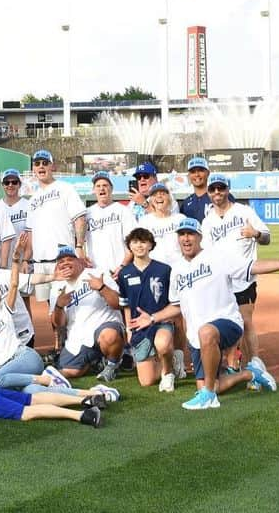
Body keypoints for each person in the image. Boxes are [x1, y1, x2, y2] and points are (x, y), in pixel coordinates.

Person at [128, 218, 279, 410]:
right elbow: (176, 305)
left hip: (227, 321)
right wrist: (153, 317)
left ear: (200, 237)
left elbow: (252, 267)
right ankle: (249, 374)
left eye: (190, 234)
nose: (186, 239)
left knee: (207, 332)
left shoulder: (218, 257)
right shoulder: (177, 270)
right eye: (182, 234)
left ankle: (208, 397)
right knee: (211, 383)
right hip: (197, 336)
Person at [200, 174, 271, 371]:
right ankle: (232, 363)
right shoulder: (208, 221)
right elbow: (205, 252)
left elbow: (267, 237)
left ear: (227, 190)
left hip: (244, 279)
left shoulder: (244, 212)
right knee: (227, 321)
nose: (217, 192)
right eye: (213, 189)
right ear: (208, 192)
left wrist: (255, 234)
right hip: (221, 281)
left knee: (246, 322)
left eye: (221, 188)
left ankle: (255, 366)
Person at [24, 149, 87, 347]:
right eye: (37, 163)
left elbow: (80, 218)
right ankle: (58, 345)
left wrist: (79, 246)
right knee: (51, 307)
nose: (41, 167)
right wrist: (27, 259)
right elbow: (31, 232)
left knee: (66, 302)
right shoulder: (33, 199)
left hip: (62, 258)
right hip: (41, 262)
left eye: (45, 163)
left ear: (53, 166)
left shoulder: (65, 188)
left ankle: (70, 345)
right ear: (33, 169)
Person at [116, 228, 182, 391]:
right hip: (139, 326)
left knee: (162, 344)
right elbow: (125, 304)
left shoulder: (164, 270)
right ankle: (165, 359)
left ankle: (168, 373)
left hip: (160, 322)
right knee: (147, 381)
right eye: (135, 242)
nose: (139, 246)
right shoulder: (125, 273)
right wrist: (129, 329)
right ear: (129, 246)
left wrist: (164, 318)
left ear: (151, 245)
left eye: (144, 242)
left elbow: (174, 301)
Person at [49, 245, 126, 382]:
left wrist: (102, 288)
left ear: (79, 261)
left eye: (69, 259)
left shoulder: (97, 273)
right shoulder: (57, 287)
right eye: (61, 262)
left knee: (109, 337)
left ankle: (113, 364)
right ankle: (96, 361)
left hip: (104, 326)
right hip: (77, 337)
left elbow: (118, 304)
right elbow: (58, 324)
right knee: (69, 371)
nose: (65, 263)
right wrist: (59, 306)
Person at [84, 171, 135, 277]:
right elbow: (80, 242)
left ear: (111, 188)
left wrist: (123, 266)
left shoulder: (123, 210)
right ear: (94, 190)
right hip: (94, 272)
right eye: (98, 186)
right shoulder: (87, 213)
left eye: (105, 185)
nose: (101, 188)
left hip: (118, 270)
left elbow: (132, 241)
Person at [135, 183, 186, 265]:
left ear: (169, 198)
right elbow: (139, 248)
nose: (159, 196)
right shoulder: (144, 222)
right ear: (151, 200)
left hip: (178, 267)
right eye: (154, 195)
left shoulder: (180, 219)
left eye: (163, 194)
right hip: (154, 269)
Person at [0, 168, 29, 264]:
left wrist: (26, 260)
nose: (10, 185)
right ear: (2, 185)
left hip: (23, 261)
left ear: (19, 184)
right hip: (2, 262)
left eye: (14, 182)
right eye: (7, 183)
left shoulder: (28, 205)